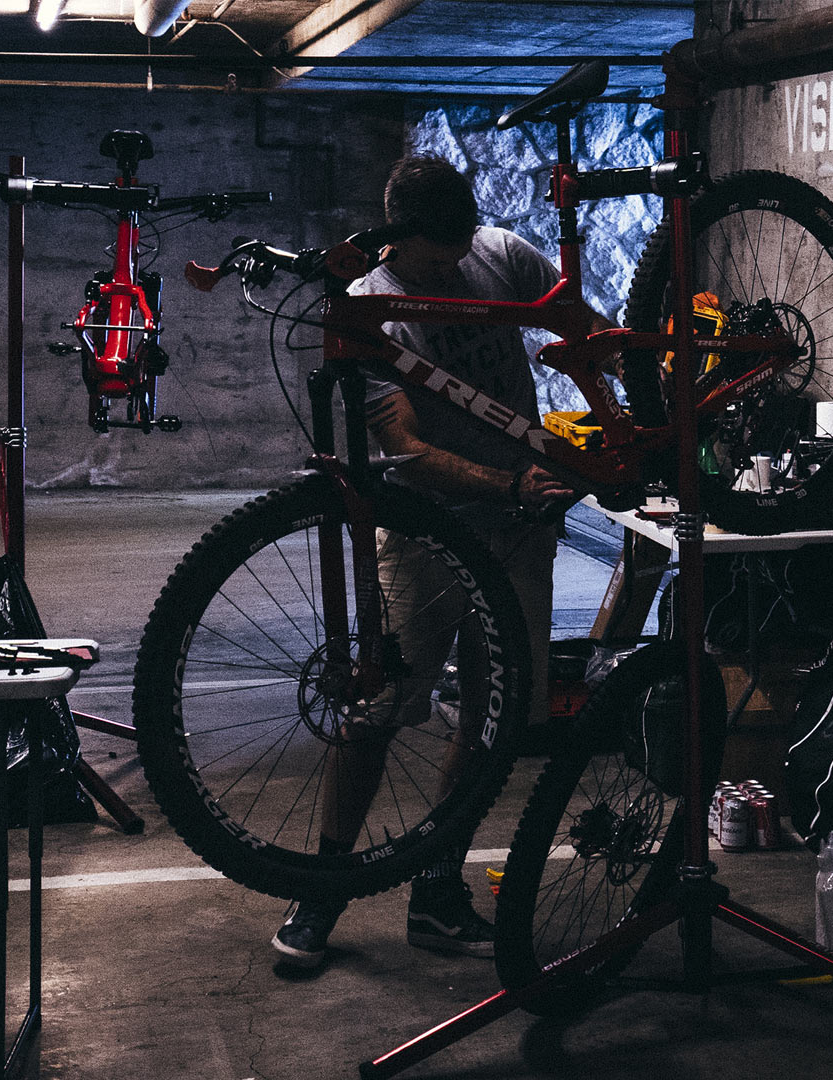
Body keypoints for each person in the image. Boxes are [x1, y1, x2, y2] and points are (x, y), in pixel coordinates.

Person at [271, 155, 612, 969]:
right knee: (380, 706)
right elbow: (407, 452)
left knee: (495, 712)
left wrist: (621, 394)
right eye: (437, 256)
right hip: (427, 531)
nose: (456, 264)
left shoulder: (501, 253)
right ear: (397, 240)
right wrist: (507, 480)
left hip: (523, 530)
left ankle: (436, 886)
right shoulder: (367, 311)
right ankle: (323, 886)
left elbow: (586, 328)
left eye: (463, 243)